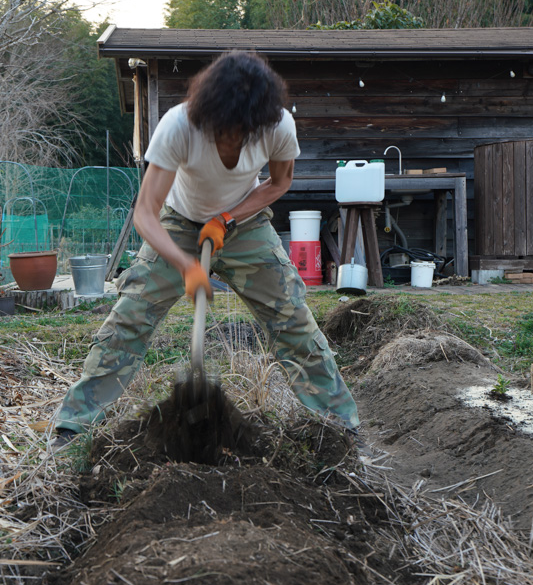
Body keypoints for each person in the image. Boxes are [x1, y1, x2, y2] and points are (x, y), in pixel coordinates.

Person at [51, 50, 357, 444]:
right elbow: (145, 213)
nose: (233, 139)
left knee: (292, 317)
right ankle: (73, 425)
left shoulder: (278, 125)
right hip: (178, 223)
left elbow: (279, 183)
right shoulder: (179, 125)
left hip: (243, 226)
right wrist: (185, 265)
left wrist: (227, 218)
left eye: (243, 131)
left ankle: (341, 426)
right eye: (224, 130)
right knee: (129, 318)